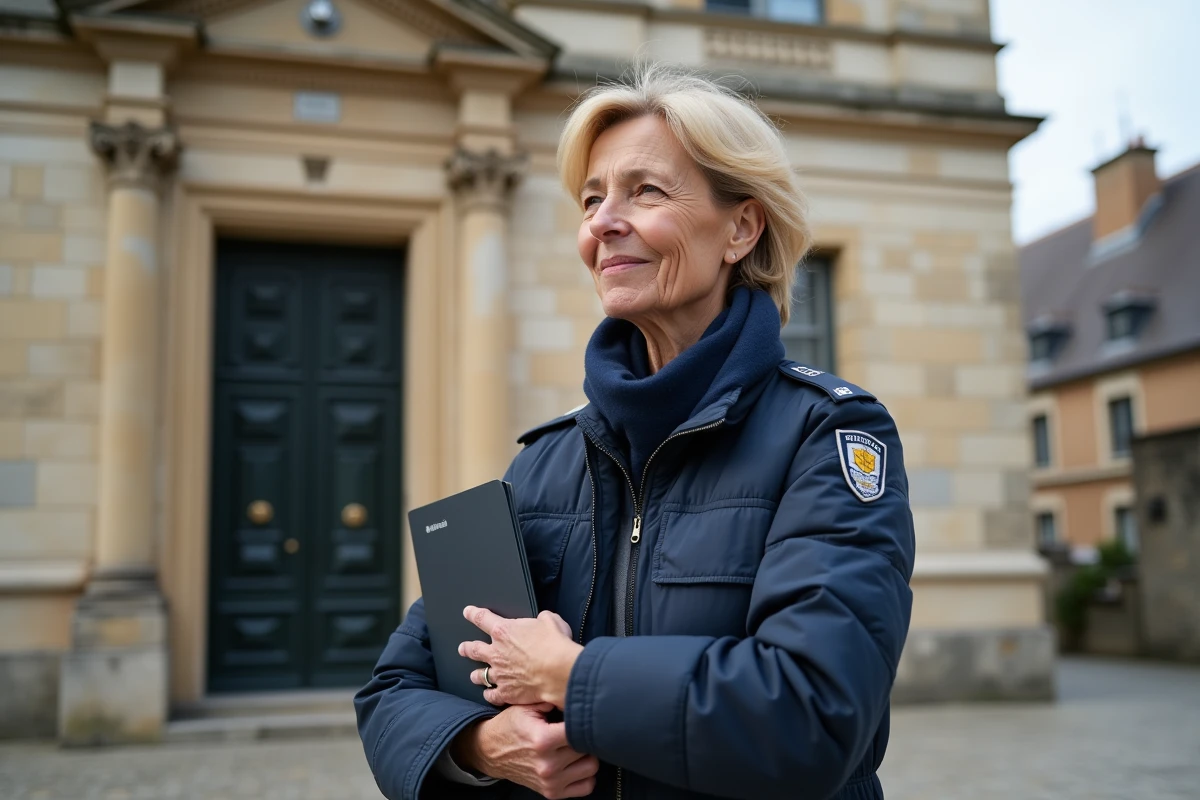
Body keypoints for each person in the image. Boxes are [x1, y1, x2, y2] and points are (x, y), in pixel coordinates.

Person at [355, 64, 915, 800]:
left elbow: (814, 715)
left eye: (645, 191)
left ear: (741, 228)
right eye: (592, 199)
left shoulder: (827, 434)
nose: (602, 223)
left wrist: (569, 674)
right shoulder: (545, 461)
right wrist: (483, 746)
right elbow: (395, 689)